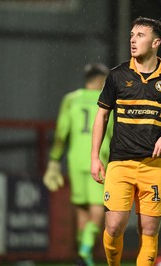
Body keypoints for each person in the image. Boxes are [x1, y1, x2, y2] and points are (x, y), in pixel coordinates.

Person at [91, 17, 161, 266]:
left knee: (149, 229)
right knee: (113, 227)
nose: (133, 40)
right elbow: (102, 115)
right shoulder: (117, 76)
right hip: (120, 163)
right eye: (132, 35)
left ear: (156, 42)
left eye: (140, 35)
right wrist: (95, 158)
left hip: (154, 166)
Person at [43, 63, 112, 266]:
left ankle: (85, 260)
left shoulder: (71, 99)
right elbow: (114, 132)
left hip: (75, 160)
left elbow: (61, 133)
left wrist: (54, 161)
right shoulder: (107, 99)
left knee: (82, 209)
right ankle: (85, 248)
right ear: (100, 80)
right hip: (99, 159)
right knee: (98, 207)